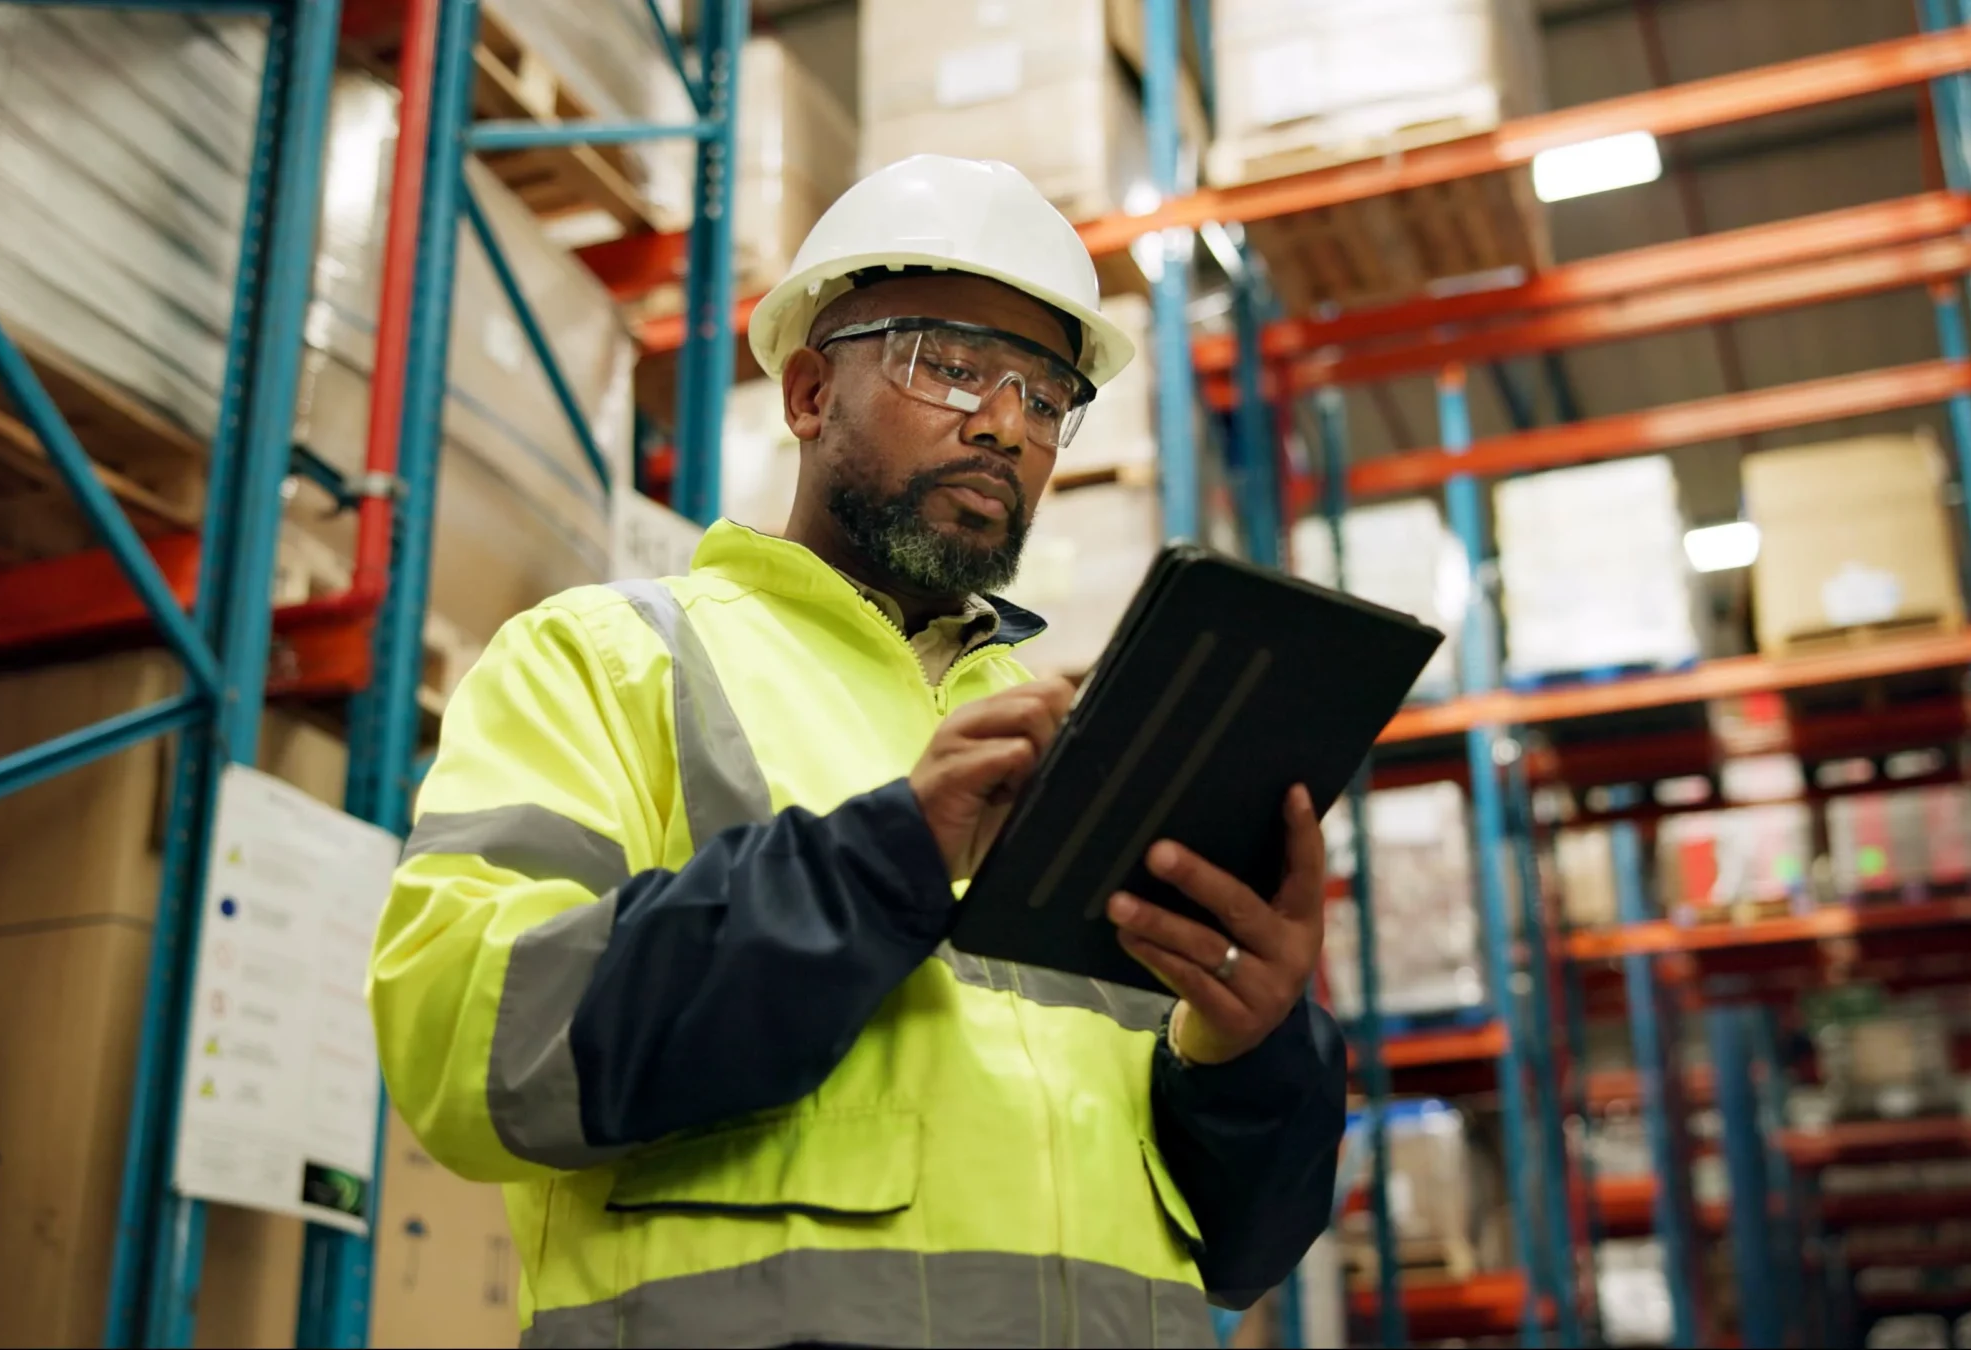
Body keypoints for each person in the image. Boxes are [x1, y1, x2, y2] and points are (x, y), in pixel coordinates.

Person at [371, 154, 1346, 1349]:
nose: (1003, 423)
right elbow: (472, 1051)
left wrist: (1250, 1052)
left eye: (1045, 397)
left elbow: (1242, 1253)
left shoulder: (1087, 749)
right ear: (807, 393)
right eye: (948, 364)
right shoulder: (612, 659)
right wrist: (886, 855)